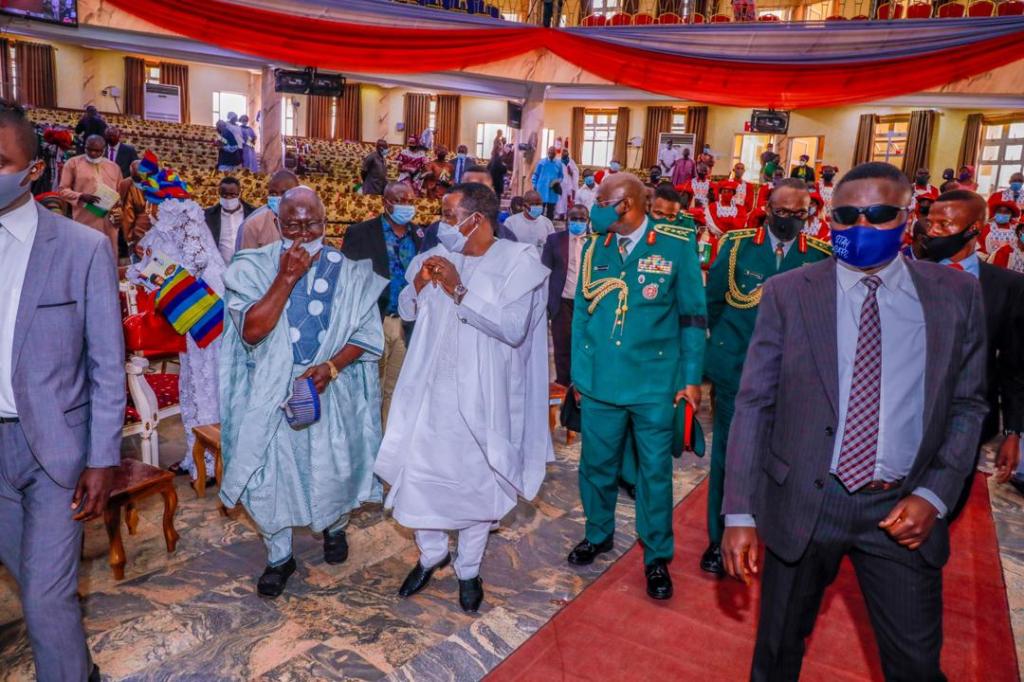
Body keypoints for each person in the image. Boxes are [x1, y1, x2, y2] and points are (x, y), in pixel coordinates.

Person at [721, 162, 989, 681]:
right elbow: (754, 403)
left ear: (908, 217)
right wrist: (738, 514)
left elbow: (968, 404)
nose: (861, 226)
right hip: (806, 502)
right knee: (776, 654)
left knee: (916, 666)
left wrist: (934, 494)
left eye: (879, 213)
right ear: (830, 221)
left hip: (901, 508)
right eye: (848, 216)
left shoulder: (954, 295)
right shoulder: (789, 292)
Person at [375, 182, 552, 613]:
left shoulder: (518, 262)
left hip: (482, 394)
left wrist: (458, 290)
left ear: (477, 219)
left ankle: (469, 569)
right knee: (421, 476)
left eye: (449, 216)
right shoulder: (436, 255)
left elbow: (514, 329)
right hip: (429, 389)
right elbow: (408, 309)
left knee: (476, 485)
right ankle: (431, 554)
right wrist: (419, 284)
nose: (442, 224)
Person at [0, 100, 123, 682]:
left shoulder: (82, 248)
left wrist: (102, 459)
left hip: (53, 451)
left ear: (32, 170)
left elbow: (107, 364)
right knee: (32, 583)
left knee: (46, 599)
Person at [220, 186, 387, 598]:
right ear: (277, 223)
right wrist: (286, 276)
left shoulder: (350, 272)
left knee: (334, 467)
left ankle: (335, 527)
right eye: (292, 225)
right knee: (271, 478)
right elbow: (252, 331)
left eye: (312, 224)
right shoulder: (252, 267)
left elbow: (367, 336)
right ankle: (280, 557)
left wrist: (332, 367)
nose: (303, 233)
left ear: (326, 223)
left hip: (330, 387)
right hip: (271, 391)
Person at [568, 172, 706, 601]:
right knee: (596, 465)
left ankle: (657, 555)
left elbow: (692, 318)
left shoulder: (675, 246)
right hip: (600, 381)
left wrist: (691, 379)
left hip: (654, 384)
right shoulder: (595, 247)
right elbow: (582, 315)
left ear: (625, 204)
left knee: (654, 472)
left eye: (602, 202)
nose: (596, 208)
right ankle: (598, 533)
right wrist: (578, 375)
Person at [700, 178, 831, 576]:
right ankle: (719, 537)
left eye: (798, 213)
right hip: (737, 371)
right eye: (781, 212)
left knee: (785, 460)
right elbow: (713, 303)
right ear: (767, 209)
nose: (788, 219)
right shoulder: (738, 246)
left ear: (809, 214)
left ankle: (775, 532)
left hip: (794, 380)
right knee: (729, 455)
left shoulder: (820, 256)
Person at [918, 190, 1024, 518]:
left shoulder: (1006, 286)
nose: (932, 231)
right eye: (930, 223)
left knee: (946, 506)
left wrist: (1013, 432)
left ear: (974, 228)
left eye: (944, 224)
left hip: (970, 419)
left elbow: (1013, 364)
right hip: (910, 412)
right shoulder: (909, 274)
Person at [129, 168, 225, 484]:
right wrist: (149, 262)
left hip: (203, 310)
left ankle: (210, 461)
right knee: (193, 384)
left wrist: (156, 266)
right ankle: (195, 453)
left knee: (206, 385)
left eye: (154, 202)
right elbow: (156, 267)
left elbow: (195, 262)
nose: (152, 209)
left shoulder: (183, 220)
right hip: (186, 311)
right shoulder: (169, 227)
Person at [341, 182, 423, 427]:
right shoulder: (360, 233)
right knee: (369, 387)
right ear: (385, 203)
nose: (406, 205)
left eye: (410, 201)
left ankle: (387, 442)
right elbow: (347, 279)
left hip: (407, 323)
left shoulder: (420, 236)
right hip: (374, 319)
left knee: (396, 389)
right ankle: (365, 438)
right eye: (400, 200)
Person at [542, 203, 589, 387]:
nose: (578, 222)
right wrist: (546, 302)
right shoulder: (555, 240)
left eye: (582, 219)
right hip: (562, 302)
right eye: (574, 219)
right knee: (562, 344)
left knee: (583, 343)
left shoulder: (595, 242)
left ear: (588, 221)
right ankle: (563, 382)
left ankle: (581, 383)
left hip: (586, 302)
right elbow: (545, 270)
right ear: (568, 220)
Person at [418, 168, 518, 249]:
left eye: (481, 187)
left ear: (492, 191)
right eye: (466, 187)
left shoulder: (506, 236)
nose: (472, 193)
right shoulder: (437, 231)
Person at [58, 133, 122, 257]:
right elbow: (62, 190)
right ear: (85, 147)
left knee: (108, 254)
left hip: (108, 221)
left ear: (104, 150)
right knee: (83, 253)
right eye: (89, 149)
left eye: (97, 151)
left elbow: (120, 194)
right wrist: (81, 196)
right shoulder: (73, 164)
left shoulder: (114, 167)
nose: (93, 153)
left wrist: (119, 211)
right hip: (84, 218)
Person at [236, 169, 299, 250]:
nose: (278, 197)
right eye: (273, 193)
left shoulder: (309, 221)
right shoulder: (253, 225)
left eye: (284, 193)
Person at [204, 176, 255, 263]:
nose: (228, 198)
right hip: (220, 267)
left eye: (232, 194)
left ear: (239, 193)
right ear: (219, 193)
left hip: (247, 265)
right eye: (224, 194)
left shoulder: (252, 214)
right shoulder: (209, 216)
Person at [116, 159, 158, 259]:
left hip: (159, 232)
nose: (140, 184)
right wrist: (130, 240)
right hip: (138, 234)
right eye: (136, 180)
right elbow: (127, 213)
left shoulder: (161, 185)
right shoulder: (126, 185)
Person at [532, 146, 564, 220]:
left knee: (551, 210)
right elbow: (536, 174)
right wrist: (534, 184)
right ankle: (538, 223)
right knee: (539, 209)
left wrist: (557, 181)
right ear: (548, 152)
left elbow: (561, 176)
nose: (551, 153)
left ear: (555, 153)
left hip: (552, 190)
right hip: (541, 189)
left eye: (553, 152)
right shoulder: (541, 162)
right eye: (550, 152)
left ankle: (549, 224)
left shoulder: (559, 164)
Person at [556, 147, 580, 219]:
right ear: (561, 153)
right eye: (563, 152)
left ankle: (568, 214)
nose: (564, 153)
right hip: (561, 183)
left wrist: (571, 172)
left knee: (569, 198)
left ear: (568, 153)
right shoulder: (558, 161)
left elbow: (576, 172)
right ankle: (560, 214)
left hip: (569, 183)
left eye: (566, 152)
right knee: (560, 199)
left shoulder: (571, 162)